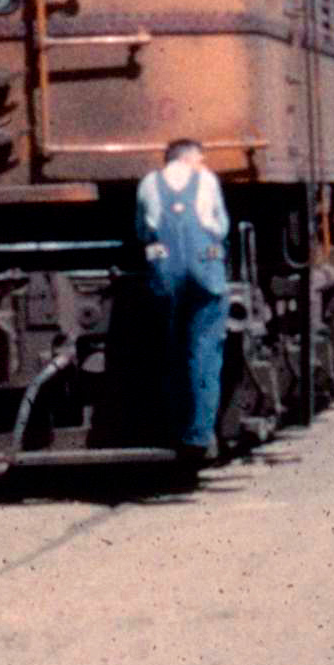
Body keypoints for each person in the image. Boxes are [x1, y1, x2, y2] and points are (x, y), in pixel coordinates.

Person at [134, 136, 230, 461]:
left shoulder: (149, 183)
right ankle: (200, 434)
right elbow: (221, 226)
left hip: (165, 275)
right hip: (206, 272)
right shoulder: (206, 180)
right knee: (204, 353)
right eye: (201, 159)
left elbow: (141, 230)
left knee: (171, 350)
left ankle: (172, 428)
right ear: (191, 157)